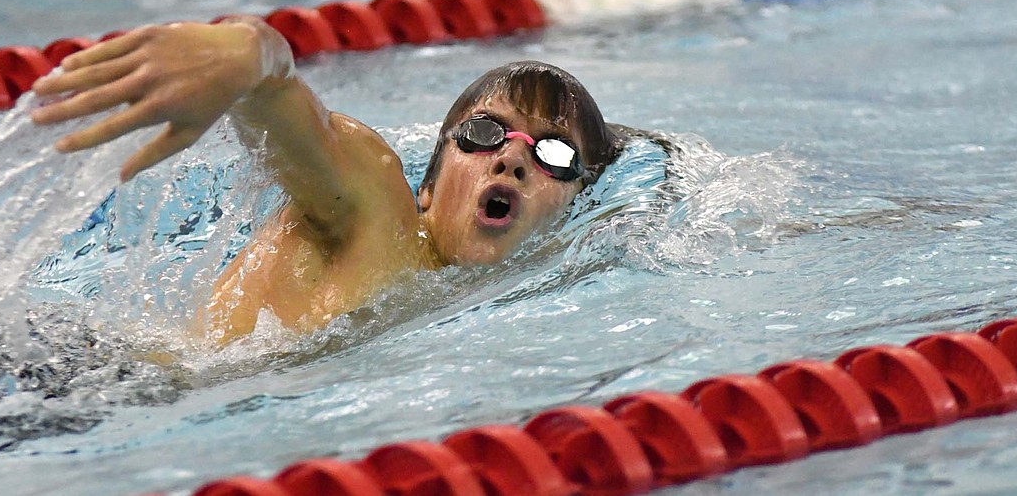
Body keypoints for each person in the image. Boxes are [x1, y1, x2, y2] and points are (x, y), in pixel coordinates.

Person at [31, 17, 627, 343]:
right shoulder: (379, 209)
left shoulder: (449, 297)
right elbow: (296, 116)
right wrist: (253, 55)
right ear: (427, 185)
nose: (512, 160)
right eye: (483, 135)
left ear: (574, 208)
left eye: (554, 153)